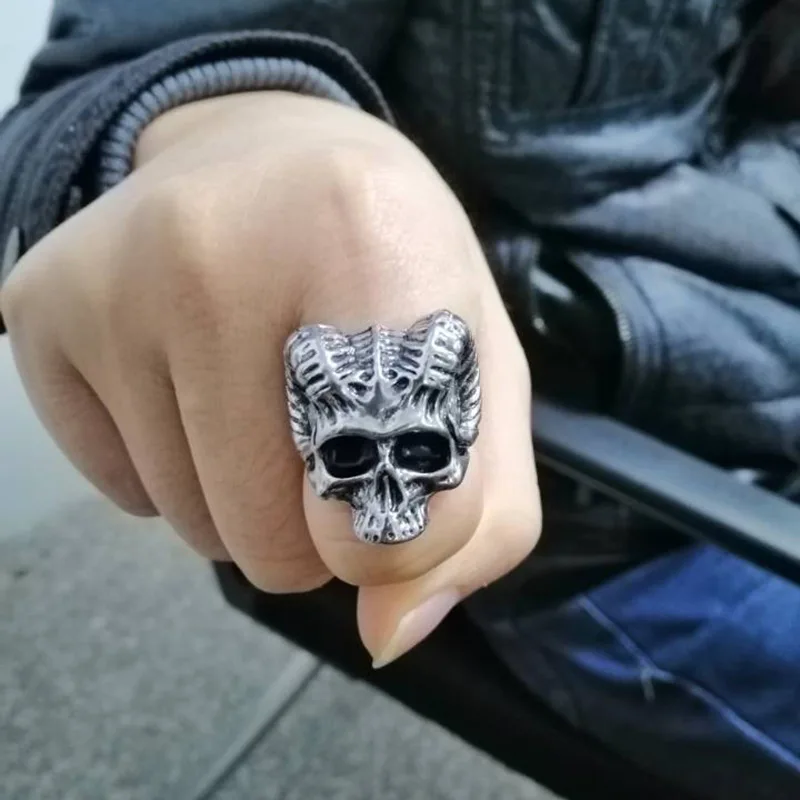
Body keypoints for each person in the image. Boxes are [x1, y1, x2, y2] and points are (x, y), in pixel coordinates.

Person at [1, 2, 799, 797]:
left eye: (413, 454)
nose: (386, 507)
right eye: (353, 455)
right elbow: (77, 98)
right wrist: (211, 124)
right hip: (627, 518)